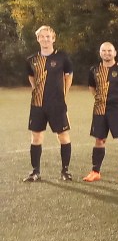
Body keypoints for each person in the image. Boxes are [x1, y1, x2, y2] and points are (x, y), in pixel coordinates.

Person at [24, 25, 74, 182]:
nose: (45, 39)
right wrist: (36, 90)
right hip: (37, 104)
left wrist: (64, 94)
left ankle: (65, 171)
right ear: (37, 39)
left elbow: (69, 76)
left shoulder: (62, 57)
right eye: (42, 36)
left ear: (53, 38)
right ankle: (35, 171)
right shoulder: (31, 59)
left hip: (57, 104)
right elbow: (31, 77)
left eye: (48, 36)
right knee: (36, 137)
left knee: (63, 136)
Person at [82, 41, 118, 182]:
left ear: (115, 53)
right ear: (100, 53)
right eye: (104, 51)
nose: (107, 53)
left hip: (117, 110)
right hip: (100, 109)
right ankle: (95, 171)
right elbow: (92, 87)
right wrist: (100, 99)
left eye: (109, 51)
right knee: (99, 140)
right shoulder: (94, 70)